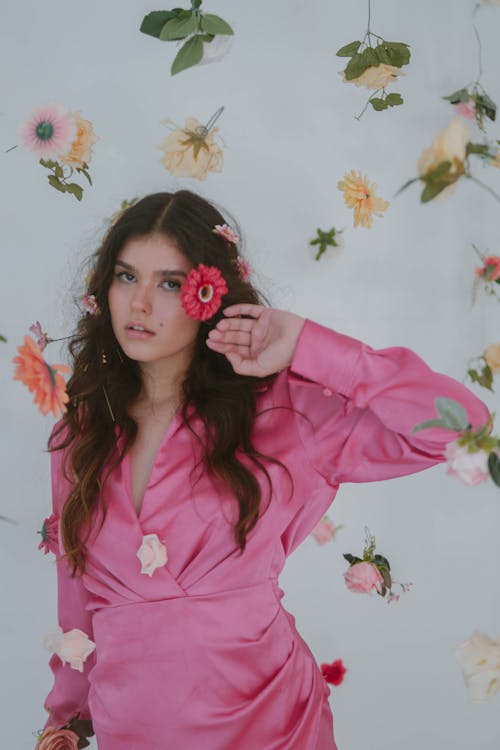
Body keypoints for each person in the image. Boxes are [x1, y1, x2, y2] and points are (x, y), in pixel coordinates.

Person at [39, 189, 490, 750]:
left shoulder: (283, 412)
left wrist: (308, 344)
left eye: (171, 284)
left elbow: (463, 428)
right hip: (131, 726)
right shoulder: (79, 434)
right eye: (127, 277)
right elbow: (76, 596)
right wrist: (66, 718)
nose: (140, 304)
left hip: (268, 721)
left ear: (209, 294)